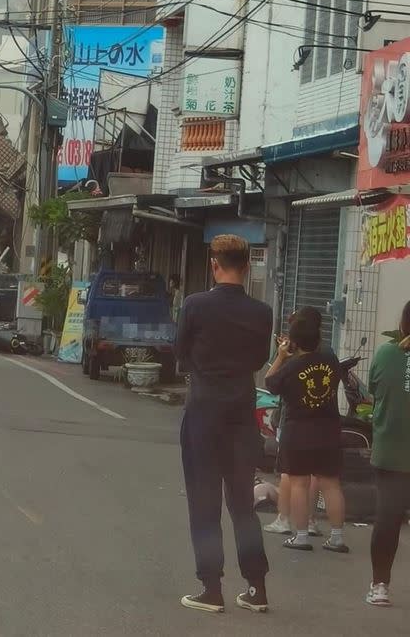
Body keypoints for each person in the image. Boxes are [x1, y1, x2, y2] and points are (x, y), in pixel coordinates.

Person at [175, 235, 272, 614]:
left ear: (214, 264)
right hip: (241, 410)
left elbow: (180, 352)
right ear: (246, 266)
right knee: (242, 504)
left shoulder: (195, 305)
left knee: (205, 501)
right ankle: (257, 588)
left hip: (204, 410)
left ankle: (211, 588)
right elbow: (260, 358)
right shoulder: (262, 312)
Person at [265, 315, 348, 554]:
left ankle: (300, 537)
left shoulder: (291, 366)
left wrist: (281, 356)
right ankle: (337, 538)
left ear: (294, 342)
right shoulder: (331, 361)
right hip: (329, 432)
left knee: (299, 484)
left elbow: (270, 383)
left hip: (298, 433)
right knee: (331, 484)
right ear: (319, 337)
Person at [264, 307, 325, 538]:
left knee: (290, 473)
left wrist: (281, 356)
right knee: (313, 475)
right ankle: (308, 520)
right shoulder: (326, 355)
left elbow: (270, 382)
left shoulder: (293, 361)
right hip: (321, 425)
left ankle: (284, 519)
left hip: (294, 424)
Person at [365, 299, 410, 607]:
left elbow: (374, 390)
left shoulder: (385, 353)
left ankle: (380, 584)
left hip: (391, 452)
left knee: (388, 521)